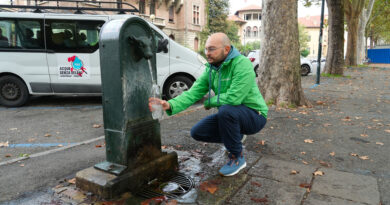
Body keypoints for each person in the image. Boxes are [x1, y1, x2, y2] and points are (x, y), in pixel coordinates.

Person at [148, 33, 268, 176]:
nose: (207, 53)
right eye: (206, 49)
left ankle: (237, 158)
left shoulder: (242, 64)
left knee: (226, 110)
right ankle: (236, 137)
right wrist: (170, 105)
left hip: (255, 115)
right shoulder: (211, 69)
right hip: (232, 114)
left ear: (226, 49)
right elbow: (193, 92)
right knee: (198, 132)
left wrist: (209, 102)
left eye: (212, 49)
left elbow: (234, 97)